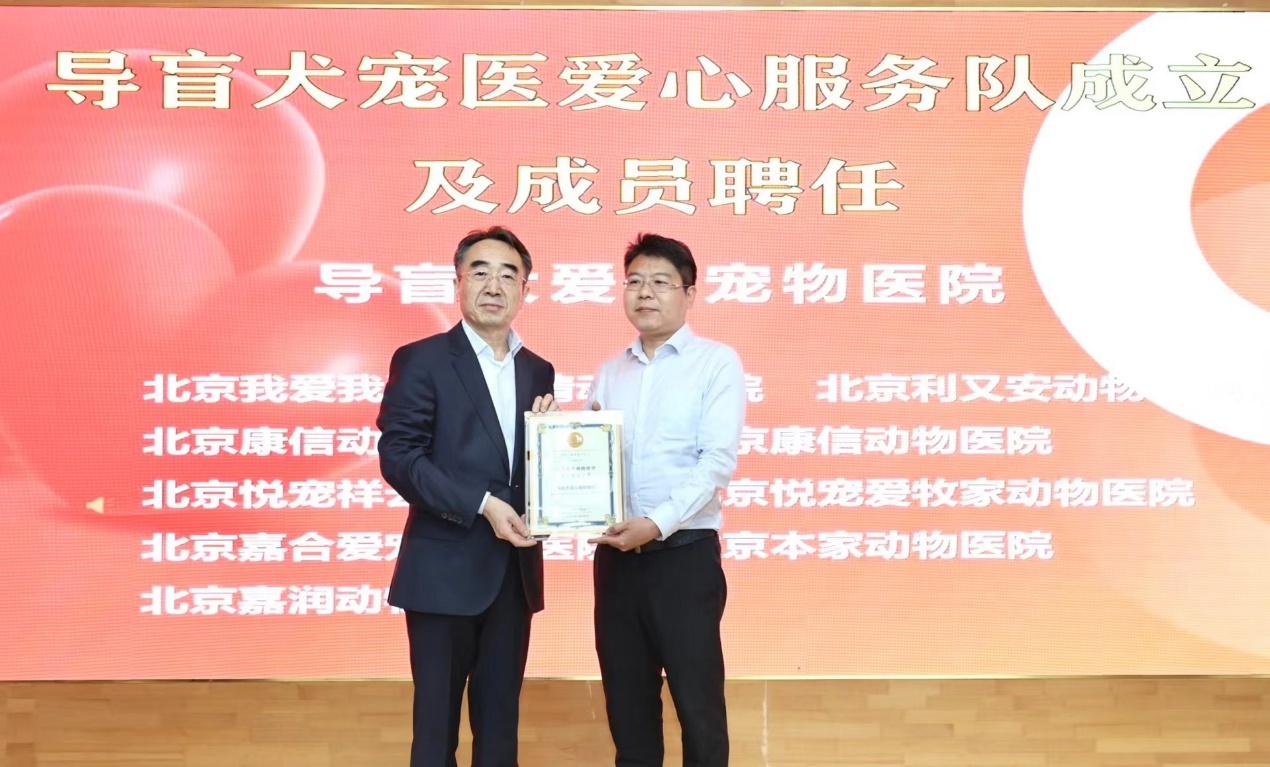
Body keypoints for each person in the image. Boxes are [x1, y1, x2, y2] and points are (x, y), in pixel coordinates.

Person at [377, 226, 556, 767]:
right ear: (457, 282)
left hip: (513, 575)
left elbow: (529, 466)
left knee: (500, 730)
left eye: (508, 274)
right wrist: (482, 504)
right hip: (442, 572)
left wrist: (560, 457)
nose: (494, 285)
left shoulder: (537, 370)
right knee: (435, 734)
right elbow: (401, 457)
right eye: (480, 272)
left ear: (525, 289)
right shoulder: (423, 359)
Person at [588, 233, 746, 767]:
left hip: (684, 559)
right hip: (616, 562)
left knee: (699, 710)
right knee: (627, 710)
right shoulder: (610, 373)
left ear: (689, 293)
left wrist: (655, 524)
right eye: (634, 281)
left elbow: (716, 463)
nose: (644, 293)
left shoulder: (716, 364)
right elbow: (592, 462)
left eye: (660, 282)